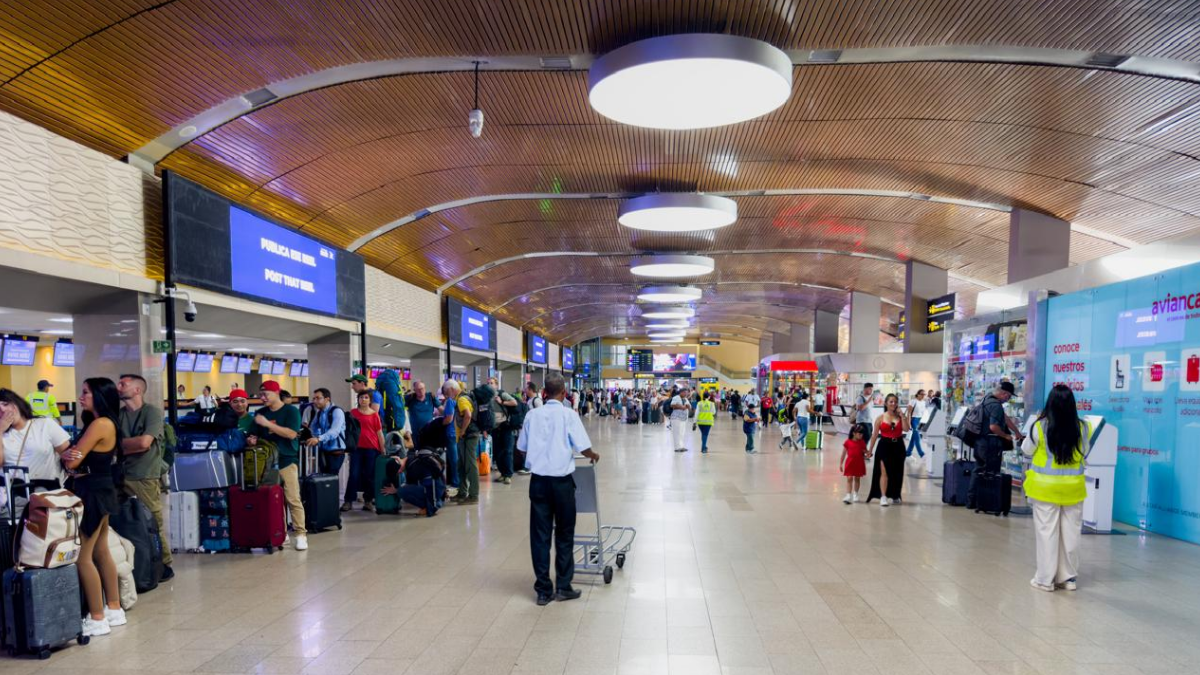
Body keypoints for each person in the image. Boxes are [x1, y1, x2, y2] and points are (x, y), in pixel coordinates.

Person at [517, 373, 599, 605]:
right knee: (564, 534)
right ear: (563, 393)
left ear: (544, 392)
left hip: (539, 483)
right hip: (562, 483)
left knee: (540, 536)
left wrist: (540, 455)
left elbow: (521, 447)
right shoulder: (568, 415)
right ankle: (563, 586)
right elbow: (583, 447)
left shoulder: (532, 415)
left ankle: (543, 590)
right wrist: (593, 455)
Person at [62, 378, 124, 637]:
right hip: (104, 489)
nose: (81, 397)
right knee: (101, 551)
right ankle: (114, 607)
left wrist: (69, 455)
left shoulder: (100, 424)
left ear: (99, 396)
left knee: (83, 557)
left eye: (86, 392)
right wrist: (73, 454)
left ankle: (97, 617)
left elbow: (73, 462)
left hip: (92, 493)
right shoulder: (108, 423)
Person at [1025, 384, 1090, 592]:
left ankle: (1045, 579)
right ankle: (1068, 578)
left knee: (1047, 533)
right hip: (1073, 489)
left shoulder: (1039, 426)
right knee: (1071, 534)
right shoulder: (1083, 427)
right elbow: (1085, 451)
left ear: (1050, 403)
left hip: (1045, 489)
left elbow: (1027, 450)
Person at [116, 374, 173, 579]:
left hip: (145, 476)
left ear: (138, 390)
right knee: (124, 520)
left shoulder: (152, 413)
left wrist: (122, 446)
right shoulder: (119, 415)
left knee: (152, 521)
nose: (119, 387)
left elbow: (144, 444)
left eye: (124, 384)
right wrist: (126, 446)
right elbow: (115, 446)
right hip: (122, 475)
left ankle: (164, 563)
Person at [249, 380, 305, 550]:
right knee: (275, 501)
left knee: (292, 498)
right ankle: (280, 533)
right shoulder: (260, 412)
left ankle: (301, 533)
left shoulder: (290, 411)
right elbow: (253, 434)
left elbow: (291, 434)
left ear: (277, 393)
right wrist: (252, 440)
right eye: (261, 394)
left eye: (266, 394)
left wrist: (266, 423)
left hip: (287, 461)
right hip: (268, 463)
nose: (262, 397)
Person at [968, 382, 1025, 509]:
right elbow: (993, 427)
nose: (1008, 399)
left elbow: (1005, 418)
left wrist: (1017, 432)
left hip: (979, 442)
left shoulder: (988, 399)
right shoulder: (996, 406)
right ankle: (985, 502)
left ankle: (973, 500)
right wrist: (1005, 436)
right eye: (1009, 396)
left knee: (978, 470)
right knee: (989, 472)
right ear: (1004, 393)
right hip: (989, 445)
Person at [0, 388, 69, 491]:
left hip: (44, 490)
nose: (3, 410)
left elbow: (69, 457)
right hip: (12, 494)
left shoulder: (45, 424)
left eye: (5, 404)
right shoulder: (3, 433)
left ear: (17, 403)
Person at [345, 390, 385, 511]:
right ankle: (348, 501)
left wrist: (383, 449)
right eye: (361, 397)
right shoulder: (353, 413)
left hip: (372, 448)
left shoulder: (374, 415)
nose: (363, 399)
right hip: (356, 448)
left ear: (370, 400)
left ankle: (368, 500)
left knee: (369, 475)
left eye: (366, 397)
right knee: (354, 474)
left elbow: (379, 433)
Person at [865, 393, 908, 507]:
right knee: (884, 472)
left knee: (897, 472)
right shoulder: (880, 418)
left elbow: (906, 429)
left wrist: (903, 415)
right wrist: (870, 450)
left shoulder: (900, 417)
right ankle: (883, 496)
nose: (893, 404)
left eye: (895, 402)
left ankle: (895, 494)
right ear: (886, 403)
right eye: (891, 402)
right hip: (884, 445)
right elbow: (874, 435)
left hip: (898, 445)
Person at [304, 388, 346, 476]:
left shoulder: (337, 411)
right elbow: (313, 427)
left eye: (318, 398)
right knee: (324, 479)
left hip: (335, 452)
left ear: (327, 399)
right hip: (323, 451)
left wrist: (318, 438)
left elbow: (334, 431)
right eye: (314, 398)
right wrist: (314, 437)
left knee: (331, 478)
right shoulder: (320, 412)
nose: (315, 401)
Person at [452, 380, 481, 505]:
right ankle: (462, 492)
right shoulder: (463, 397)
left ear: (452, 390)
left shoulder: (461, 399)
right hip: (463, 437)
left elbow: (468, 415)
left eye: (447, 392)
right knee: (462, 465)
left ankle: (474, 495)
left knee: (470, 465)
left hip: (469, 436)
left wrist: (463, 430)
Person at [488, 377, 519, 485]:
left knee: (507, 451)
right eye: (488, 383)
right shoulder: (487, 397)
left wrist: (502, 402)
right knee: (498, 453)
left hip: (505, 427)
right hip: (494, 428)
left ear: (496, 385)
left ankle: (508, 475)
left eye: (492, 383)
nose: (490, 385)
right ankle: (502, 473)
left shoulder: (501, 394)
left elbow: (514, 402)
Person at [440, 381, 462, 495]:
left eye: (445, 391)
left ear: (450, 389)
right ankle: (459, 481)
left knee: (453, 460)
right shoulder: (460, 399)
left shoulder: (449, 401)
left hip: (451, 433)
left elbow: (448, 418)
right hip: (457, 433)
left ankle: (455, 482)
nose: (445, 394)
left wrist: (438, 424)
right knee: (458, 458)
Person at [840, 423, 869, 504]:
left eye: (862, 433)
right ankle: (848, 495)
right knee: (849, 479)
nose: (861, 435)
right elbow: (843, 453)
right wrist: (840, 464)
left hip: (859, 463)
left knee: (857, 479)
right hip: (850, 463)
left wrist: (868, 453)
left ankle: (855, 494)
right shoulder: (847, 442)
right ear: (854, 433)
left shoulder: (862, 442)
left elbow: (864, 451)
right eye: (859, 433)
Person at [905, 390, 928, 458]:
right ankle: (921, 454)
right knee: (917, 437)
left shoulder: (924, 402)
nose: (923, 396)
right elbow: (909, 413)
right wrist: (908, 423)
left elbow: (923, 413)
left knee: (914, 437)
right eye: (922, 394)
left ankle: (908, 452)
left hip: (920, 420)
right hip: (914, 420)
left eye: (924, 394)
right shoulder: (913, 401)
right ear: (917, 394)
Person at [670, 386, 691, 452]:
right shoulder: (676, 397)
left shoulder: (686, 399)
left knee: (682, 433)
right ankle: (677, 448)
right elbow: (672, 405)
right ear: (681, 392)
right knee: (676, 433)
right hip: (676, 418)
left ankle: (681, 446)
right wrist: (682, 407)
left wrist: (688, 406)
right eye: (685, 393)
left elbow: (689, 406)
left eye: (687, 393)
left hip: (683, 419)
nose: (686, 394)